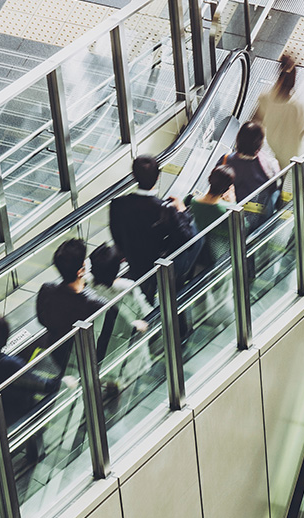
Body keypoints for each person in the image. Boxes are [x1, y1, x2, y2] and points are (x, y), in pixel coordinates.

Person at [0, 312, 74, 459]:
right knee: (31, 410)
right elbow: (42, 385)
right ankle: (34, 455)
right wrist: (64, 382)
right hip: (5, 414)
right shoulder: (10, 365)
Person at [109, 155, 202, 304]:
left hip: (132, 259)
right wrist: (183, 212)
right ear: (158, 177)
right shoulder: (165, 210)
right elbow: (187, 239)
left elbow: (116, 234)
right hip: (155, 265)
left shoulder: (118, 204)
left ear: (134, 176)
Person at [36, 238, 109, 371]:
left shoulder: (47, 290)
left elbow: (42, 319)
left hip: (58, 352)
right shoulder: (95, 304)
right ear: (81, 270)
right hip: (87, 358)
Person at [87, 243, 152, 391]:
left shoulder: (87, 288)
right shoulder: (127, 288)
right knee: (130, 386)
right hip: (128, 347)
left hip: (102, 350)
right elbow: (146, 312)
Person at [253, 54, 304, 168]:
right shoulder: (297, 107)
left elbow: (256, 120)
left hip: (274, 143)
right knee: (286, 168)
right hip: (293, 148)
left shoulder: (266, 99)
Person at [223, 122, 281, 231]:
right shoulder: (269, 165)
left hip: (228, 213)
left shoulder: (225, 160)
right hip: (257, 219)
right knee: (276, 193)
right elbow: (275, 186)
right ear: (259, 144)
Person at [187, 165, 235, 270]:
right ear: (228, 188)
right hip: (215, 256)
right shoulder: (226, 209)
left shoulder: (192, 201)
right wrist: (233, 202)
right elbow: (243, 226)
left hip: (195, 254)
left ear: (209, 179)